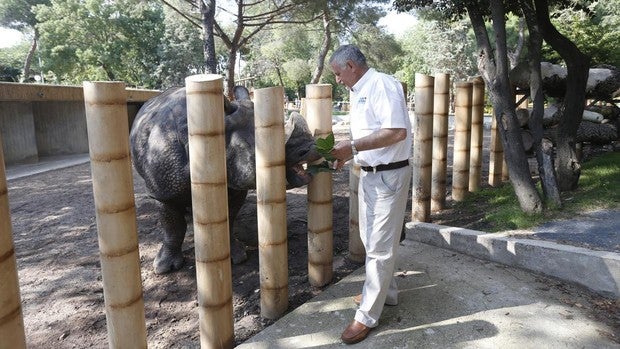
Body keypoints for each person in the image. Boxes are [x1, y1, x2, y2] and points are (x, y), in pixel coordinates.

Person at [329, 44, 412, 344]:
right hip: (371, 175)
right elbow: (372, 135)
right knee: (371, 239)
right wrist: (349, 155)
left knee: (378, 246)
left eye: (338, 73)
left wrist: (351, 148)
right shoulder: (360, 90)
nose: (337, 80)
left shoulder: (382, 84)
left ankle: (366, 316)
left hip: (388, 176)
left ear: (350, 65)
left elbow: (396, 131)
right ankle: (385, 294)